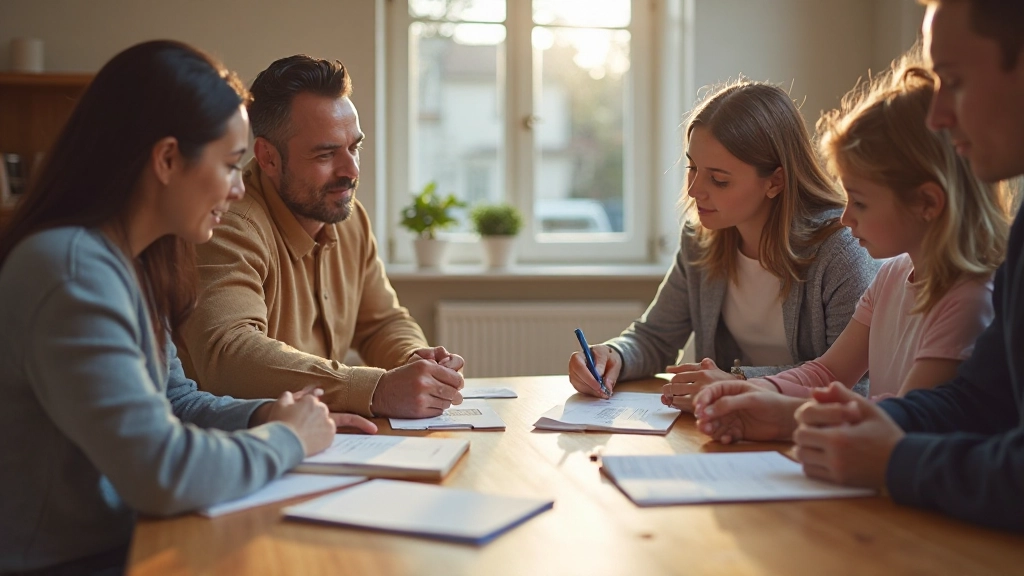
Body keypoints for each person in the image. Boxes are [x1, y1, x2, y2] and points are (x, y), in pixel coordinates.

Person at [0, 41, 375, 574]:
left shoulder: (133, 263)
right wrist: (288, 439)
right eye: (228, 165)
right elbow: (162, 471)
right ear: (168, 160)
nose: (236, 190)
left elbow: (175, 398)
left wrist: (267, 413)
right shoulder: (70, 271)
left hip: (128, 542)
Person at [704, 0, 1024, 531]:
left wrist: (893, 457)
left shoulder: (971, 293)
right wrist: (786, 407)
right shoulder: (903, 271)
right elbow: (976, 402)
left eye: (956, 79)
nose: (940, 115)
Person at [692, 51, 1009, 443]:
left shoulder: (969, 299)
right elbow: (828, 372)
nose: (845, 218)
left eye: (859, 201)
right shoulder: (893, 274)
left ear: (927, 203)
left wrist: (783, 413)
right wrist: (753, 390)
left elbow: (909, 417)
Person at [175, 55, 465, 419]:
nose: (351, 171)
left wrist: (415, 362)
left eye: (354, 147)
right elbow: (229, 352)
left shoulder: (347, 215)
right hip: (240, 444)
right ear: (267, 157)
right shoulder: (228, 222)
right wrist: (376, 390)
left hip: (320, 438)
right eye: (326, 154)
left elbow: (381, 322)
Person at [568, 80, 878, 407]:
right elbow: (655, 338)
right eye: (692, 168)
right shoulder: (700, 240)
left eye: (719, 179)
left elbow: (855, 385)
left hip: (806, 436)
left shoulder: (841, 250)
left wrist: (737, 383)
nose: (694, 190)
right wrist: (613, 355)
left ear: (775, 181)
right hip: (729, 430)